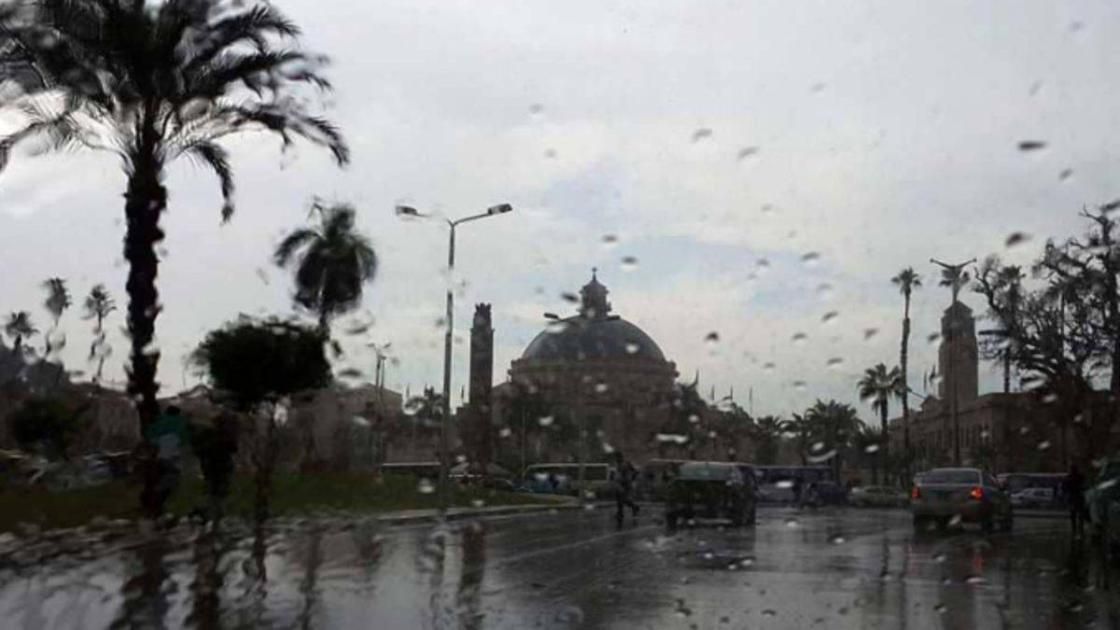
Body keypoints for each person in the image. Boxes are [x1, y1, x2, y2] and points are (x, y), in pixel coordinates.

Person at [141, 405, 190, 517]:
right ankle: (157, 507)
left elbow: (149, 437)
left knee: (158, 482)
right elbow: (185, 441)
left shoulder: (158, 422)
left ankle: (153, 507)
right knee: (169, 484)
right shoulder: (181, 423)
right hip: (172, 458)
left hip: (158, 458)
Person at [192, 410, 240, 522]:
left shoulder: (210, 434)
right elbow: (233, 448)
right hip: (217, 465)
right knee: (217, 491)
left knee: (214, 490)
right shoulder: (217, 435)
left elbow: (233, 448)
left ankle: (210, 514)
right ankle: (211, 514)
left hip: (214, 465)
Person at [611, 452, 640, 523]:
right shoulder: (618, 464)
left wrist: (632, 479)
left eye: (617, 457)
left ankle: (634, 507)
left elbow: (636, 471)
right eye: (616, 458)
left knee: (624, 499)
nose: (616, 459)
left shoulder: (626, 464)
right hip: (619, 484)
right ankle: (620, 513)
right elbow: (618, 474)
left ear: (620, 457)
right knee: (619, 499)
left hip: (625, 484)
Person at [1064, 464, 1088, 537]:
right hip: (1078, 496)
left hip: (1072, 496)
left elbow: (1065, 487)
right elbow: (1085, 485)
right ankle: (1080, 527)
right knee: (1079, 513)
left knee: (1073, 513)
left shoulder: (1069, 477)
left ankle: (1075, 528)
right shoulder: (1080, 477)